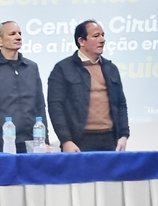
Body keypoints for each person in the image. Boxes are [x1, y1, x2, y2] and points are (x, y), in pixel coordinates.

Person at [47, 20, 129, 152]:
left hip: (110, 139)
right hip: (79, 140)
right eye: (96, 36)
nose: (102, 40)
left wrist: (124, 135)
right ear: (81, 41)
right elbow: (55, 107)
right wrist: (66, 141)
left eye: (103, 35)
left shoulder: (111, 68)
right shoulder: (63, 69)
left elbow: (121, 104)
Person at [0, 21, 49, 153]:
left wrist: (45, 140)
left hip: (33, 141)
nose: (18, 37)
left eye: (20, 33)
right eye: (12, 34)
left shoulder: (31, 67)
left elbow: (40, 106)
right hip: (2, 142)